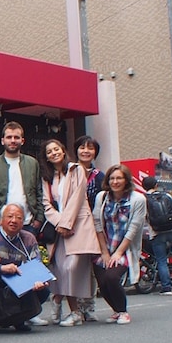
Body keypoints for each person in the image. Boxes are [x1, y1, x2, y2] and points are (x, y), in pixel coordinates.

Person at [39, 139, 100, 327]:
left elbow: (77, 198)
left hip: (78, 225)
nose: (54, 153)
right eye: (49, 151)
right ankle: (69, 309)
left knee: (73, 268)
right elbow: (46, 203)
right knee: (59, 268)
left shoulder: (76, 169)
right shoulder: (47, 177)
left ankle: (71, 307)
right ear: (46, 157)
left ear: (63, 151)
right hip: (58, 229)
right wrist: (59, 222)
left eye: (56, 149)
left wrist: (66, 223)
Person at [0, 203, 51, 332]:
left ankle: (20, 318)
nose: (14, 220)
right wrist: (1, 268)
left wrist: (38, 280)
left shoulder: (29, 238)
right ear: (1, 220)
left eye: (19, 218)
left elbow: (36, 264)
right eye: (10, 216)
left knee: (44, 290)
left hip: (17, 281)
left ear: (23, 222)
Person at [92, 165, 146, 325]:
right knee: (102, 281)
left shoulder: (138, 199)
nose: (115, 182)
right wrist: (104, 252)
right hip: (105, 246)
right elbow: (97, 223)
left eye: (119, 178)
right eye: (112, 178)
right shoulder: (102, 197)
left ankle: (123, 311)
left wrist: (118, 253)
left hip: (125, 248)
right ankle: (116, 310)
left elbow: (134, 228)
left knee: (112, 277)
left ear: (126, 180)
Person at [0, 122, 44, 233]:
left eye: (16, 137)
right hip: (0, 224)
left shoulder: (32, 163)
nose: (12, 140)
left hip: (29, 223)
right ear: (2, 141)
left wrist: (39, 219)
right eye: (9, 137)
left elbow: (39, 192)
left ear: (22, 141)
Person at [74, 135, 105, 321]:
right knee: (76, 267)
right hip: (73, 227)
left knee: (91, 269)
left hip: (93, 228)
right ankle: (76, 307)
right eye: (82, 147)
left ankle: (89, 306)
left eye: (90, 148)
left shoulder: (100, 176)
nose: (86, 151)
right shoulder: (69, 172)